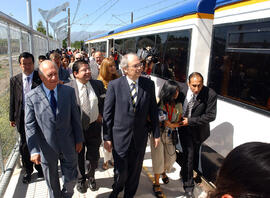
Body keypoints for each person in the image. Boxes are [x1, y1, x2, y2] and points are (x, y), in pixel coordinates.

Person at [103, 53, 160, 198]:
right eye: (136, 66)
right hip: (120, 137)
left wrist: (156, 133)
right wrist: (107, 137)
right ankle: (116, 190)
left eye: (140, 64)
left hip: (139, 137)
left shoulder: (149, 84)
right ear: (125, 69)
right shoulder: (114, 86)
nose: (140, 68)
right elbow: (108, 114)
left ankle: (129, 195)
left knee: (135, 172)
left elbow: (153, 110)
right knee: (121, 172)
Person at [24, 60, 83, 198]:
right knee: (52, 182)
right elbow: (30, 125)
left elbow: (75, 118)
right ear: (41, 76)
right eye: (50, 75)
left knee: (71, 179)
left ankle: (66, 195)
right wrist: (34, 150)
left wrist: (79, 139)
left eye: (56, 74)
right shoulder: (31, 97)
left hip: (68, 144)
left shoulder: (68, 92)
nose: (54, 78)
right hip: (47, 148)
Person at [66, 60, 106, 193]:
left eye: (88, 69)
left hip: (94, 127)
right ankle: (80, 179)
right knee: (79, 156)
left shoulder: (97, 84)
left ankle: (91, 177)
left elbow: (104, 101)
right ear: (75, 73)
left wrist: (101, 113)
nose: (88, 72)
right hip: (77, 130)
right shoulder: (68, 88)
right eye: (84, 70)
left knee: (93, 156)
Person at [178, 72, 217, 198]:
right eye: (193, 86)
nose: (196, 89)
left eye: (199, 86)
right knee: (189, 154)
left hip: (198, 131)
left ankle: (184, 173)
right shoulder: (181, 90)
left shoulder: (210, 94)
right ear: (188, 83)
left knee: (192, 154)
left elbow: (211, 116)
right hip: (182, 128)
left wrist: (190, 121)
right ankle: (189, 187)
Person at [9, 52, 43, 184]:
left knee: (39, 140)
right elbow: (13, 99)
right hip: (22, 115)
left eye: (30, 64)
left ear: (33, 64)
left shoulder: (40, 77)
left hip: (38, 114)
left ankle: (40, 167)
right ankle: (28, 171)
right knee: (24, 144)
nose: (27, 67)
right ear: (20, 65)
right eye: (24, 64)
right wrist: (12, 117)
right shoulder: (15, 80)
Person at [151, 80, 182, 198]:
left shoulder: (177, 104)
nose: (177, 93)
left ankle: (163, 171)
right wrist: (173, 124)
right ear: (169, 91)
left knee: (171, 158)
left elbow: (178, 120)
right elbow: (160, 120)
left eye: (178, 90)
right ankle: (157, 183)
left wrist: (175, 124)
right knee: (158, 159)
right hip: (158, 134)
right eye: (175, 91)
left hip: (170, 134)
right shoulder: (159, 102)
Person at [97, 58, 119, 170]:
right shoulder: (100, 83)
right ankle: (106, 160)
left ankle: (114, 159)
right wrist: (99, 114)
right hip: (105, 116)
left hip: (118, 115)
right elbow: (97, 101)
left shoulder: (119, 79)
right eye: (110, 66)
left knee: (116, 139)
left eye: (114, 65)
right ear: (105, 68)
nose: (113, 68)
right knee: (107, 139)